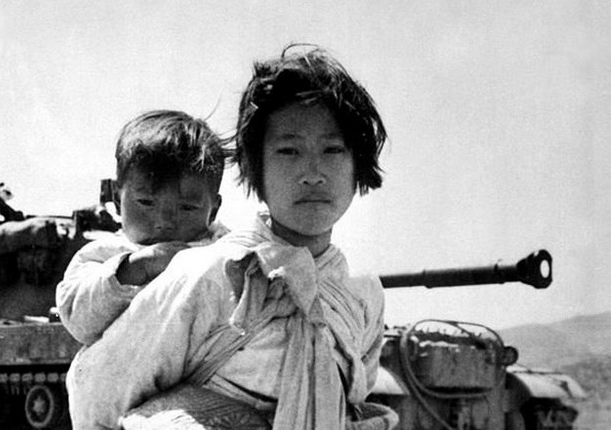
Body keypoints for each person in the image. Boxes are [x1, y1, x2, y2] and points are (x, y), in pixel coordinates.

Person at [67, 46, 399, 430]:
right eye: (288, 150)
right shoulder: (207, 272)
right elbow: (100, 388)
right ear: (256, 167)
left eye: (333, 149)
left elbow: (354, 398)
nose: (313, 172)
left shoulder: (363, 298)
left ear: (359, 165)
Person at [56, 109, 228, 347]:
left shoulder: (225, 253)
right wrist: (133, 269)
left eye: (187, 207)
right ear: (117, 199)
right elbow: (77, 318)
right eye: (146, 202)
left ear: (213, 210)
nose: (165, 222)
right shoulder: (104, 255)